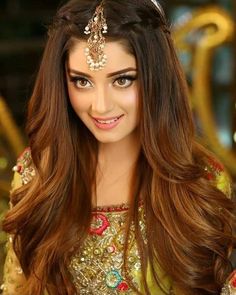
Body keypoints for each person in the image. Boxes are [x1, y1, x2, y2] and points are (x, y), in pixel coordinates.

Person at [1, 0, 235, 294]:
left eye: (122, 80)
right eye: (81, 81)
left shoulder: (200, 181)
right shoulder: (40, 171)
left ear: (156, 80)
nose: (100, 106)